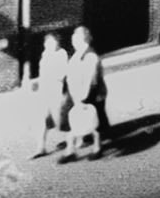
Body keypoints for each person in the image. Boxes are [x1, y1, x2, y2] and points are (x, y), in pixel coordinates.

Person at [64, 25, 111, 155]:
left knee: (95, 119)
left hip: (91, 92)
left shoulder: (90, 55)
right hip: (76, 92)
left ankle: (97, 146)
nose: (73, 41)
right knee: (75, 118)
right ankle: (74, 145)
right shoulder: (77, 54)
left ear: (83, 39)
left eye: (75, 38)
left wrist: (83, 96)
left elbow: (92, 78)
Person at [28, 31, 71, 159]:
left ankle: (73, 143)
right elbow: (43, 74)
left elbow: (62, 74)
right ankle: (41, 147)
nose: (49, 45)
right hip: (45, 92)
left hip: (58, 92)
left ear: (58, 43)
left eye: (53, 42)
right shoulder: (45, 54)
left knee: (63, 120)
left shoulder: (61, 54)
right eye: (47, 42)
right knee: (43, 119)